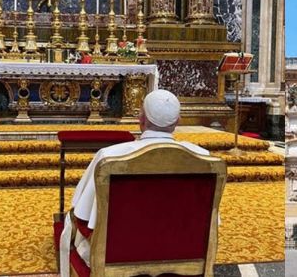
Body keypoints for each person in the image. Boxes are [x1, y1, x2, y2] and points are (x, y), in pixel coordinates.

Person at [58, 89, 210, 277]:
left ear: (141, 119)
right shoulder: (203, 157)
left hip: (114, 255)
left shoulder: (110, 157)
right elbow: (210, 221)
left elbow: (82, 215)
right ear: (178, 121)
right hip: (183, 252)